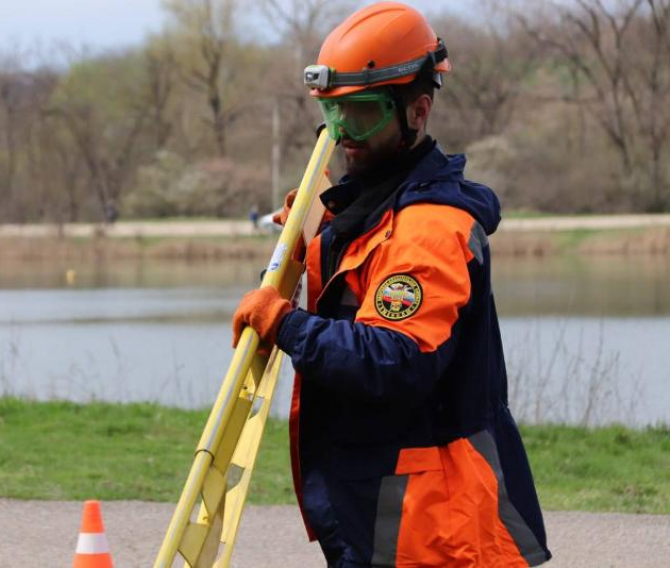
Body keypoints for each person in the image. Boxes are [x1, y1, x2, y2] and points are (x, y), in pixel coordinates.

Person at [231, 3, 552, 567]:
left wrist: (284, 323)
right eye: (333, 114)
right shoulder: (378, 210)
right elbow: (361, 291)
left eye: (361, 115)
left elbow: (393, 358)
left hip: (434, 528)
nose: (342, 134)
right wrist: (319, 237)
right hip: (388, 510)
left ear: (417, 111)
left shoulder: (431, 228)